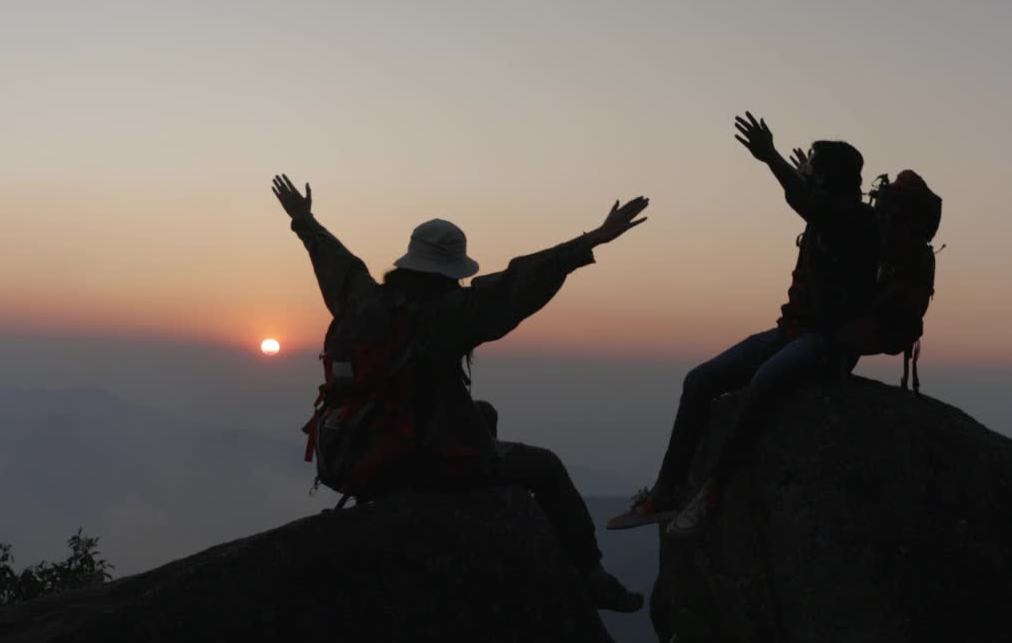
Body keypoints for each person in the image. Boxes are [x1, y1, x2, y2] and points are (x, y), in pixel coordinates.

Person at [272, 174, 650, 612]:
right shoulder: (449, 315)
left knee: (481, 412)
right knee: (544, 466)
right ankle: (591, 576)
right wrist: (594, 240)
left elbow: (337, 261)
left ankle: (401, 496)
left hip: (350, 451)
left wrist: (304, 219)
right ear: (450, 273)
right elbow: (520, 280)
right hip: (412, 459)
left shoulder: (362, 300)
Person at [607, 112, 879, 537]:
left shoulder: (854, 220)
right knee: (700, 381)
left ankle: (714, 493)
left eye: (811, 163)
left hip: (827, 342)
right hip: (794, 332)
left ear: (826, 178)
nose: (804, 166)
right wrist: (796, 172)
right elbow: (812, 201)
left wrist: (771, 157)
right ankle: (667, 492)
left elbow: (811, 203)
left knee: (763, 384)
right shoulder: (834, 210)